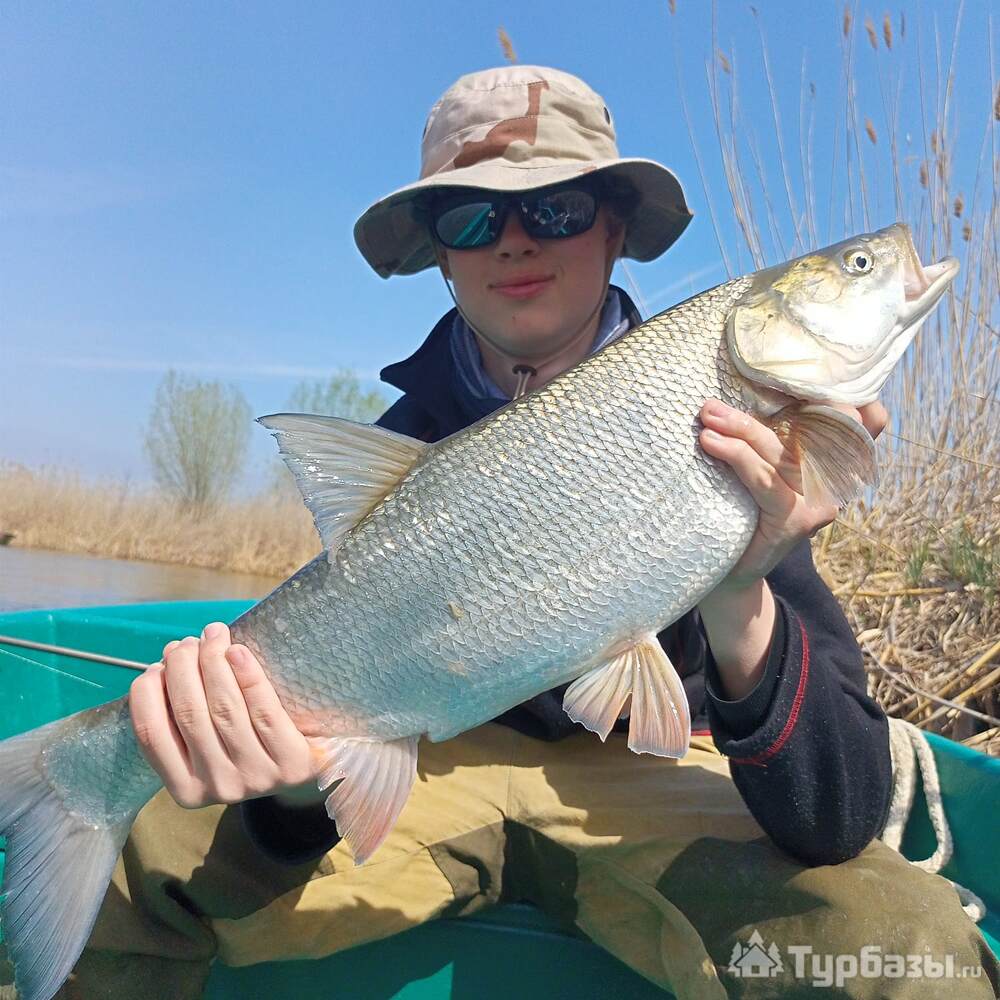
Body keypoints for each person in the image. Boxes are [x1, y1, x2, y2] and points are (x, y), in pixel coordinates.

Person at [20, 65, 997, 1000]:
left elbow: (838, 815)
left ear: (615, 228)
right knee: (135, 875)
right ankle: (68, 791)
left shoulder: (741, 433)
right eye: (471, 214)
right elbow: (315, 736)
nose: (515, 240)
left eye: (558, 207)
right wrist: (286, 782)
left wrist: (741, 588)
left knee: (909, 946)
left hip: (664, 775)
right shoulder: (400, 449)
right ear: (439, 250)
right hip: (432, 760)